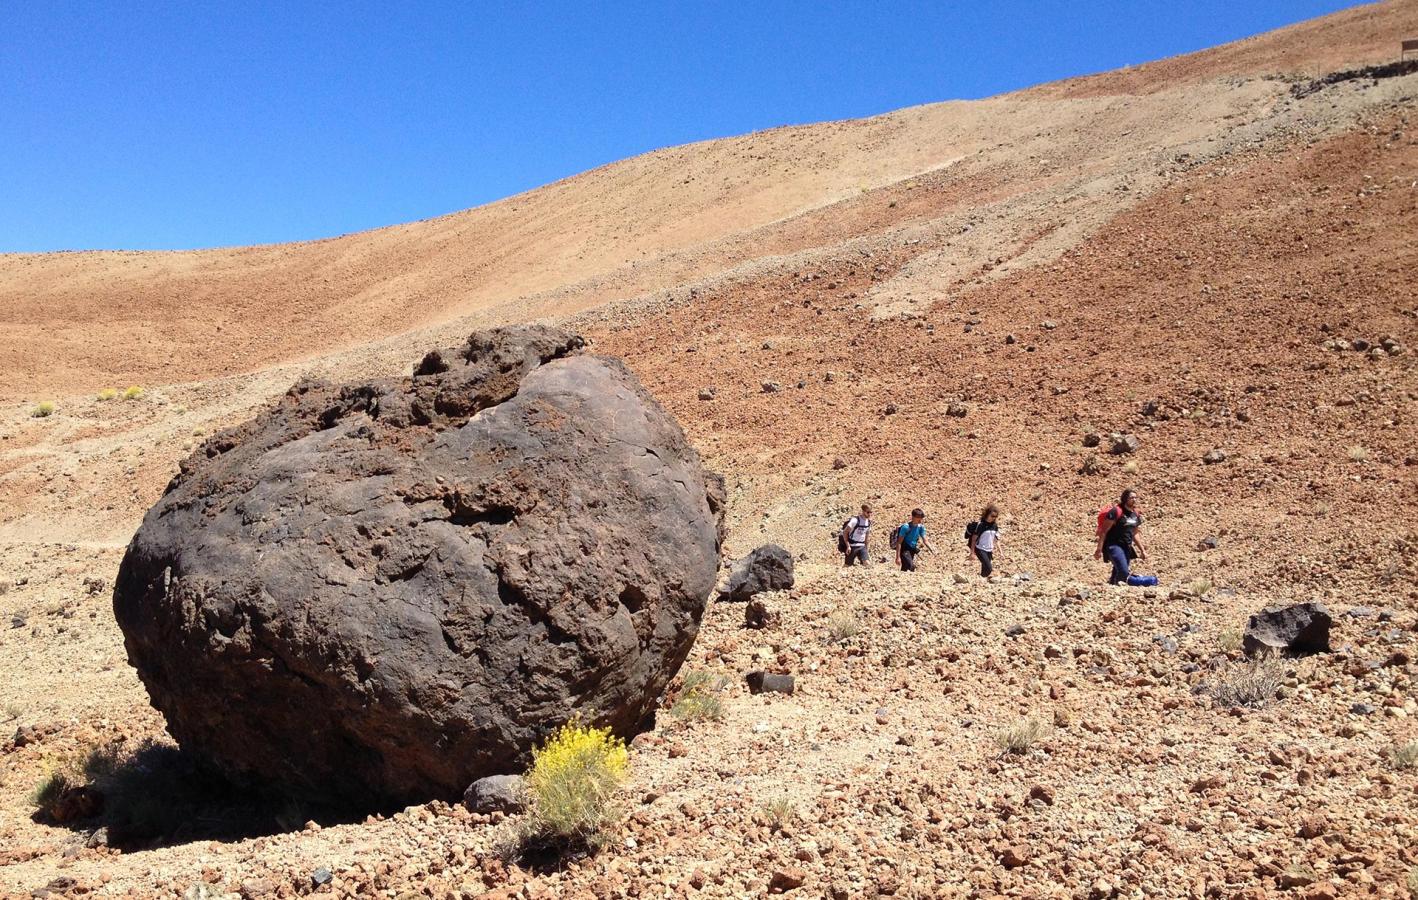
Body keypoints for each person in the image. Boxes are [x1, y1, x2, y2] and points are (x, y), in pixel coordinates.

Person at [1095, 488, 1149, 585]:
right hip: (1113, 545)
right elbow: (1103, 531)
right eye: (1131, 497)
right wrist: (1099, 549)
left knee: (1118, 571)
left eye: (1136, 497)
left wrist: (1142, 550)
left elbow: (1135, 533)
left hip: (1127, 546)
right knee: (1123, 572)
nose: (1134, 500)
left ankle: (1111, 588)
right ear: (1125, 499)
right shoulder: (1116, 511)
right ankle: (1118, 589)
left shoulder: (1135, 514)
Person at [967, 504, 1000, 577]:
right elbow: (974, 539)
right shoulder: (981, 525)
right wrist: (972, 552)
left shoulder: (994, 526)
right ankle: (981, 579)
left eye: (995, 516)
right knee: (989, 568)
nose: (994, 518)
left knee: (985, 568)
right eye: (992, 516)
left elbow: (996, 539)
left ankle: (981, 581)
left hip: (989, 549)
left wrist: (1001, 552)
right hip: (980, 549)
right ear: (987, 514)